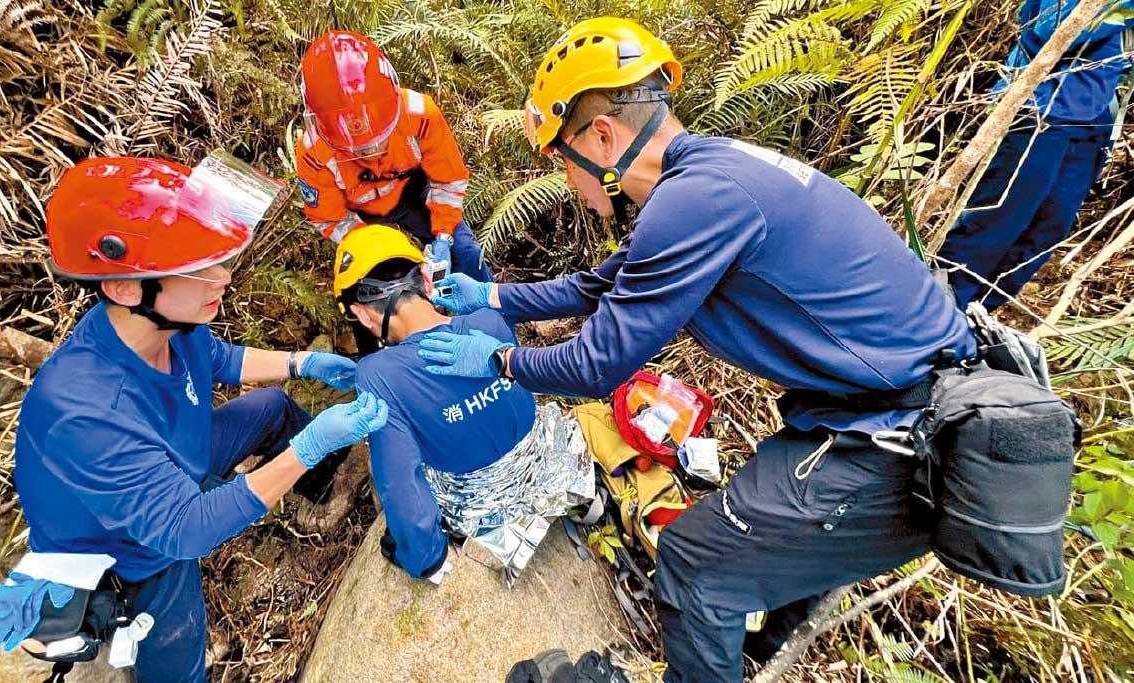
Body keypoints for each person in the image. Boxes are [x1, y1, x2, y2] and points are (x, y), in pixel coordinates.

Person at [416, 18, 977, 682]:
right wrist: (492, 298)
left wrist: (499, 362)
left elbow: (597, 366)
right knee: (749, 567)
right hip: (874, 414)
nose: (565, 178)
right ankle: (729, 662)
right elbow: (601, 283)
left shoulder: (693, 202)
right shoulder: (705, 174)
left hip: (902, 439)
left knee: (692, 561)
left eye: (561, 158)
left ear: (603, 136)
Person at [10, 155, 388, 682]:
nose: (224, 278)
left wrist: (302, 362)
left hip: (177, 453)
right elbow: (187, 529)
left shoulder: (165, 323)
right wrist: (308, 449)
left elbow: (216, 360)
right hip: (134, 550)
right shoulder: (85, 415)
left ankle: (327, 499)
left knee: (272, 406)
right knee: (180, 664)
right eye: (198, 269)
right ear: (124, 288)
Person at [333, 224, 590, 583]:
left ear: (361, 314)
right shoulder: (487, 317)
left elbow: (399, 480)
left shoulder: (377, 375)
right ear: (427, 277)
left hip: (478, 499)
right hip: (546, 459)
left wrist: (425, 560)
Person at [937, 0, 1134, 310]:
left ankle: (972, 318)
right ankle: (935, 312)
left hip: (1094, 120)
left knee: (1045, 231)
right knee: (995, 224)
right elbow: (1052, 29)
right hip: (1042, 110)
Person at [296, 29, 491, 287]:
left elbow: (448, 181)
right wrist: (381, 246)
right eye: (356, 149)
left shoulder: (419, 116)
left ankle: (489, 307)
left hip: (415, 197)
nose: (367, 153)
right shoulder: (314, 154)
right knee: (385, 285)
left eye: (378, 142)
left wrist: (443, 236)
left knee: (466, 253)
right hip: (363, 219)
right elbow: (329, 217)